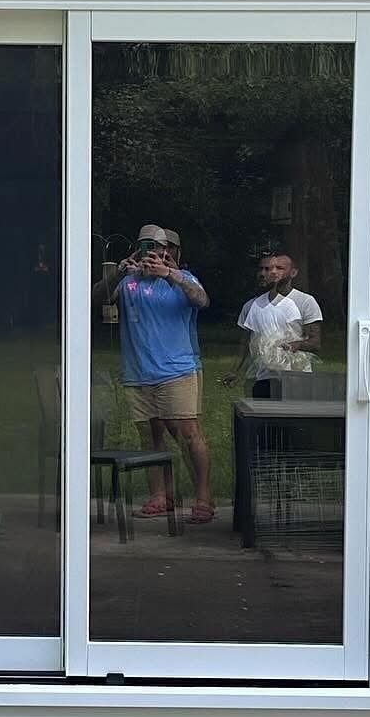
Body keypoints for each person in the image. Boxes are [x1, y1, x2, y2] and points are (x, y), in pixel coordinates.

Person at [92, 223, 215, 523]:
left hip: (177, 370)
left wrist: (169, 274)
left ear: (170, 252)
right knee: (150, 437)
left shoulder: (182, 279)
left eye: (159, 248)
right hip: (137, 372)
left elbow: (202, 300)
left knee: (188, 433)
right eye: (146, 246)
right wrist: (119, 271)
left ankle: (203, 498)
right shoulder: (128, 279)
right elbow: (96, 300)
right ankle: (161, 496)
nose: (153, 254)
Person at [223, 253, 323, 396]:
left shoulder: (305, 302)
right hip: (264, 378)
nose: (271, 272)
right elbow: (245, 343)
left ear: (293, 273)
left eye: (279, 268)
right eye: (267, 269)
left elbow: (315, 342)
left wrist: (294, 345)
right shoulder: (252, 305)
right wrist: (235, 371)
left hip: (297, 378)